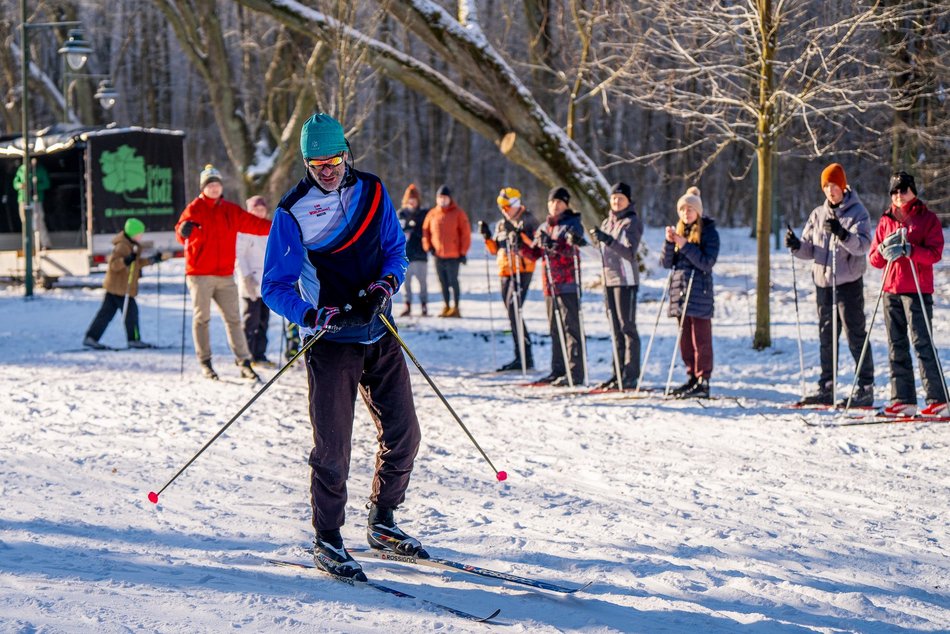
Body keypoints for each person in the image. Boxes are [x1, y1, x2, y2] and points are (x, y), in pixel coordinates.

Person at [261, 113, 424, 581]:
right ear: (306, 163)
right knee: (332, 450)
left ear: (346, 153)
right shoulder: (292, 211)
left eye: (333, 160)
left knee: (405, 434)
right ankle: (328, 538)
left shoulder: (373, 191)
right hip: (331, 342)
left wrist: (384, 288)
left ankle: (383, 520)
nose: (326, 170)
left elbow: (396, 249)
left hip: (380, 330)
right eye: (316, 164)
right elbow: (275, 286)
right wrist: (313, 315)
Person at [785, 163, 874, 406]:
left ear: (843, 185)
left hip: (848, 282)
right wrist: (795, 245)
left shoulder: (858, 213)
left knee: (855, 333)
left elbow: (863, 245)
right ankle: (827, 385)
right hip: (823, 282)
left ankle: (865, 386)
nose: (830, 190)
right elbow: (810, 249)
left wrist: (843, 234)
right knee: (826, 335)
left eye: (834, 185)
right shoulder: (817, 214)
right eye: (826, 186)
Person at [175, 164, 271, 381]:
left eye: (217, 184)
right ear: (203, 188)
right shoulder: (194, 208)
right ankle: (205, 362)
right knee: (202, 318)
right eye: (210, 185)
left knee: (234, 319)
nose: (215, 188)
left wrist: (279, 227)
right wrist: (183, 230)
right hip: (199, 274)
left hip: (225, 275)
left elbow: (254, 224)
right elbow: (181, 232)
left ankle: (244, 361)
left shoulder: (230, 209)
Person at [868, 171, 947, 417]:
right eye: (894, 191)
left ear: (912, 191)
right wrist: (883, 249)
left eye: (903, 190)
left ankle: (939, 400)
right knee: (896, 345)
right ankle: (903, 399)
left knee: (922, 343)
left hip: (916, 290)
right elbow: (874, 260)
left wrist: (911, 250)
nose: (899, 196)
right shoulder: (885, 220)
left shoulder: (926, 218)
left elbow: (935, 253)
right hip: (891, 289)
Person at [521, 186, 586, 387]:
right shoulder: (545, 226)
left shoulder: (572, 224)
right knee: (555, 329)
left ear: (566, 204)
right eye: (552, 202)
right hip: (549, 285)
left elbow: (570, 251)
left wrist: (552, 244)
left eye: (559, 202)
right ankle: (558, 369)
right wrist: (520, 245)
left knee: (570, 328)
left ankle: (575, 372)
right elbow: (535, 254)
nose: (555, 206)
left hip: (567, 283)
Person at [661, 186, 720, 399]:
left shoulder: (709, 232)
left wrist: (684, 245)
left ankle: (704, 379)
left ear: (698, 211)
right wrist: (670, 243)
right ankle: (692, 377)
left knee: (701, 340)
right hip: (680, 293)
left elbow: (706, 262)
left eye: (690, 209)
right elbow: (666, 263)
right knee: (685, 340)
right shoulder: (680, 231)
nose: (686, 213)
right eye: (683, 209)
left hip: (700, 292)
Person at [83, 218, 169, 349]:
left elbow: (137, 263)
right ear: (133, 233)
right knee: (131, 314)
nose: (141, 236)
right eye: (139, 233)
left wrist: (153, 260)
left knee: (106, 314)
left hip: (119, 287)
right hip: (120, 287)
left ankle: (91, 337)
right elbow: (113, 265)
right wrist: (126, 260)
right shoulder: (122, 246)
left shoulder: (132, 245)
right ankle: (133, 339)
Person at [589, 181, 643, 390]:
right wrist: (582, 243)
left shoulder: (632, 222)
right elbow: (601, 254)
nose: (616, 202)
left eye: (620, 198)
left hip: (625, 280)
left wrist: (608, 240)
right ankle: (617, 373)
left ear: (628, 201)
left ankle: (631, 374)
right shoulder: (606, 222)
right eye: (613, 198)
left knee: (627, 327)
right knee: (614, 329)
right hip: (608, 280)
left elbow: (629, 253)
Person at [477, 187, 538, 371]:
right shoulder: (502, 223)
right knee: (511, 313)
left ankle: (526, 356)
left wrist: (519, 235)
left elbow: (535, 248)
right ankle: (519, 356)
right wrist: (487, 236)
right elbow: (495, 249)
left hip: (522, 269)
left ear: (515, 204)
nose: (503, 210)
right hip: (505, 271)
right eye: (501, 206)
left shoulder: (528, 219)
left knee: (514, 309)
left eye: (506, 206)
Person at [422, 185, 470, 317]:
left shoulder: (458, 213)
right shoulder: (432, 214)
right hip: (438, 254)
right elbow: (425, 231)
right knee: (442, 282)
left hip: (454, 255)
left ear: (450, 199)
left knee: (453, 281)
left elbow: (465, 234)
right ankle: (446, 306)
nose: (442, 200)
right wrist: (429, 247)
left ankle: (456, 307)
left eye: (445, 198)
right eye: (440, 198)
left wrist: (463, 252)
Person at [236, 195, 273, 367]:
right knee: (251, 320)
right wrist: (246, 277)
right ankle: (246, 355)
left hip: (267, 282)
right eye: (255, 209)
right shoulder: (244, 230)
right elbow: (239, 256)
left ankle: (260, 354)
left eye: (262, 209)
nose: (259, 212)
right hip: (250, 282)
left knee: (264, 321)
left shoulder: (270, 228)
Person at [397, 184, 429, 316]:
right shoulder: (401, 213)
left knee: (422, 282)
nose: (412, 202)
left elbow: (426, 231)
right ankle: (407, 305)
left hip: (420, 253)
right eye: (410, 200)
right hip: (405, 254)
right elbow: (396, 231)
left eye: (414, 200)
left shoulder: (423, 214)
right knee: (406, 283)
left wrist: (414, 231)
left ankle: (424, 305)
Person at [13, 161, 51, 250]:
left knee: (38, 222)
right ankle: (29, 245)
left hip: (36, 200)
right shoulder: (21, 169)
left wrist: (35, 186)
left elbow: (47, 184)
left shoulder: (40, 170)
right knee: (25, 223)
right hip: (23, 199)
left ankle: (45, 244)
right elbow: (15, 183)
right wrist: (21, 185)